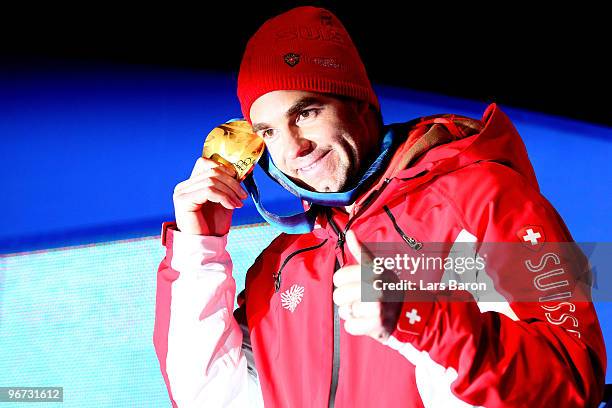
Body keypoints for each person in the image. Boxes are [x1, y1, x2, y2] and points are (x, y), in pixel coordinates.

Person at [153, 6, 606, 407]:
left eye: (306, 112)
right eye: (268, 132)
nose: (292, 149)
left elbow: (570, 382)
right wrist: (199, 252)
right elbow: (211, 397)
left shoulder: (480, 199)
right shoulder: (285, 264)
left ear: (360, 103)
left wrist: (421, 317)